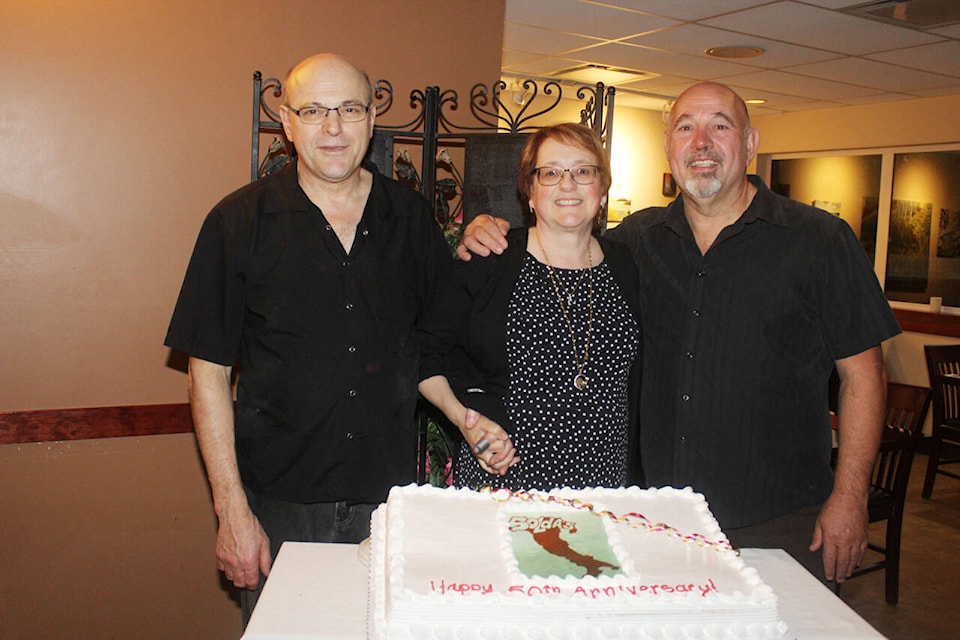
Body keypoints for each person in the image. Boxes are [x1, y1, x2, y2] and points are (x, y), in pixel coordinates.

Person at [458, 81, 901, 585]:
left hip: (782, 522)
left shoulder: (820, 241)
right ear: (670, 147)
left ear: (751, 143)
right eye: (686, 128)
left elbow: (864, 375)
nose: (702, 142)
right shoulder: (634, 244)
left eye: (720, 125)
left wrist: (849, 497)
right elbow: (559, 242)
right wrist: (488, 233)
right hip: (658, 522)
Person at [163, 53, 453, 623]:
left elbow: (446, 343)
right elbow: (208, 373)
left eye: (348, 109)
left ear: (373, 117)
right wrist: (232, 512)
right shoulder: (237, 222)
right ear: (286, 121)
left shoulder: (413, 220)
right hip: (277, 507)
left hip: (388, 508)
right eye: (314, 110)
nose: (334, 128)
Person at [418, 123, 642, 491]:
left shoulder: (626, 264)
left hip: (604, 487)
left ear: (601, 190)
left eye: (583, 171)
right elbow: (424, 354)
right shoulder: (490, 258)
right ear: (530, 193)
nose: (567, 184)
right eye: (550, 173)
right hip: (507, 479)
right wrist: (466, 420)